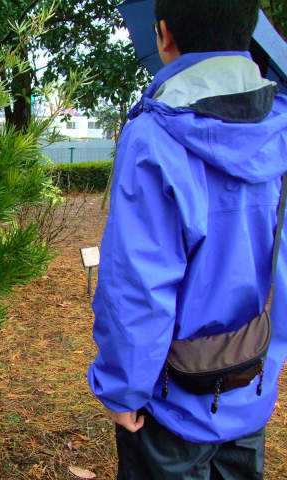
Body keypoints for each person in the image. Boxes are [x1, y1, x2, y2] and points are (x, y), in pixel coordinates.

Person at [87, 1, 287, 478]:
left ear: (163, 35)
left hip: (169, 406)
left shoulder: (153, 136)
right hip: (250, 381)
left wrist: (122, 390)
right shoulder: (280, 130)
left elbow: (137, 285)